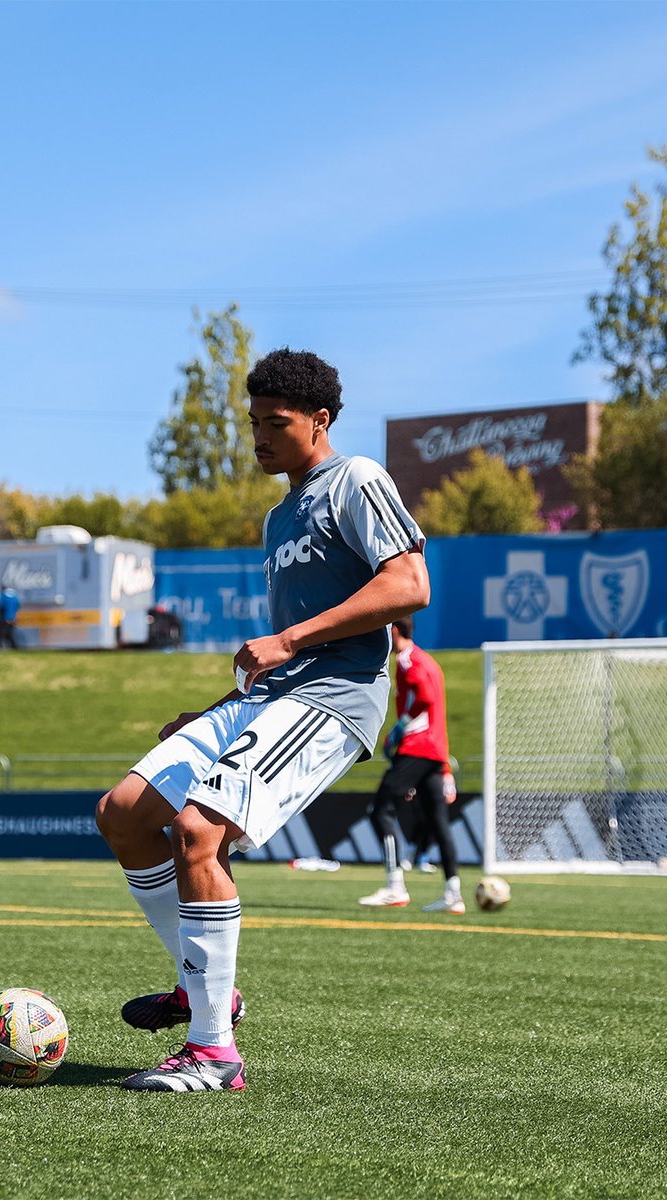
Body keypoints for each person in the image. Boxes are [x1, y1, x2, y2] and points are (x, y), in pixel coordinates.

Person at [96, 348, 429, 1092]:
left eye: (276, 423)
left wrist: (289, 639)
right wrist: (222, 710)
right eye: (253, 423)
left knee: (195, 832)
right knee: (122, 813)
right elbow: (283, 651)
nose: (260, 437)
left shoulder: (358, 479)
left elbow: (409, 584)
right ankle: (202, 986)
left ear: (321, 420)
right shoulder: (281, 515)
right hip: (271, 697)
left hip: (335, 696)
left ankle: (213, 1051)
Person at [358, 616, 464, 913]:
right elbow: (437, 715)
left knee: (381, 811)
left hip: (416, 750)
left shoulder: (407, 661)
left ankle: (395, 887)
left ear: (393, 630)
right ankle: (453, 894)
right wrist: (444, 766)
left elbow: (425, 700)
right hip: (434, 752)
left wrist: (398, 730)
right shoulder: (429, 661)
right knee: (438, 821)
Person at [0, 585, 20, 649]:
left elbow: (1, 607)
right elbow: (17, 608)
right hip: (12, 619)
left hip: (4, 618)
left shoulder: (4, 596)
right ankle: (14, 647)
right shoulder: (14, 597)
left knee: (1, 634)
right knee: (10, 635)